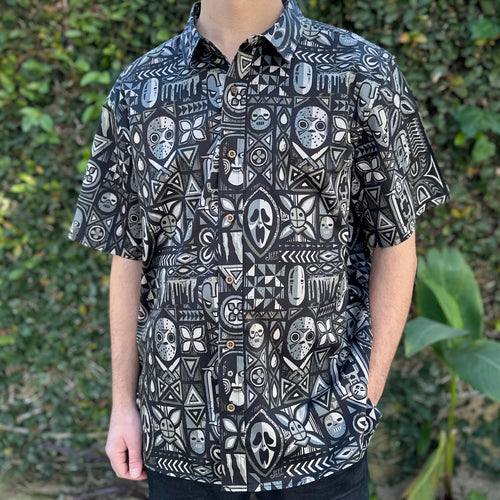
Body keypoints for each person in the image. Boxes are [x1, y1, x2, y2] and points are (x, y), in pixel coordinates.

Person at [68, 0, 449, 498]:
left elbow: (395, 242)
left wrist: (363, 394)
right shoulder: (140, 88)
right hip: (180, 439)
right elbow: (129, 254)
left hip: (320, 442)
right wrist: (123, 404)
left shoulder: (361, 72)